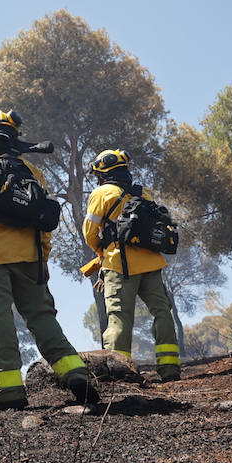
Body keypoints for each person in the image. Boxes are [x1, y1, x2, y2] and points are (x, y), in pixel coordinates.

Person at [0, 109, 96, 408]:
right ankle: (76, 374)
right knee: (42, 317)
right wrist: (44, 259)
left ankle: (8, 393)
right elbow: (44, 220)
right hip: (29, 254)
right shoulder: (30, 170)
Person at [82, 149, 181, 381]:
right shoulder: (143, 194)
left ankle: (118, 373)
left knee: (119, 318)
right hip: (152, 264)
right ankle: (170, 369)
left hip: (119, 265)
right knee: (162, 313)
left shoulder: (101, 193)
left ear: (102, 173)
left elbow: (89, 232)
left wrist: (101, 253)